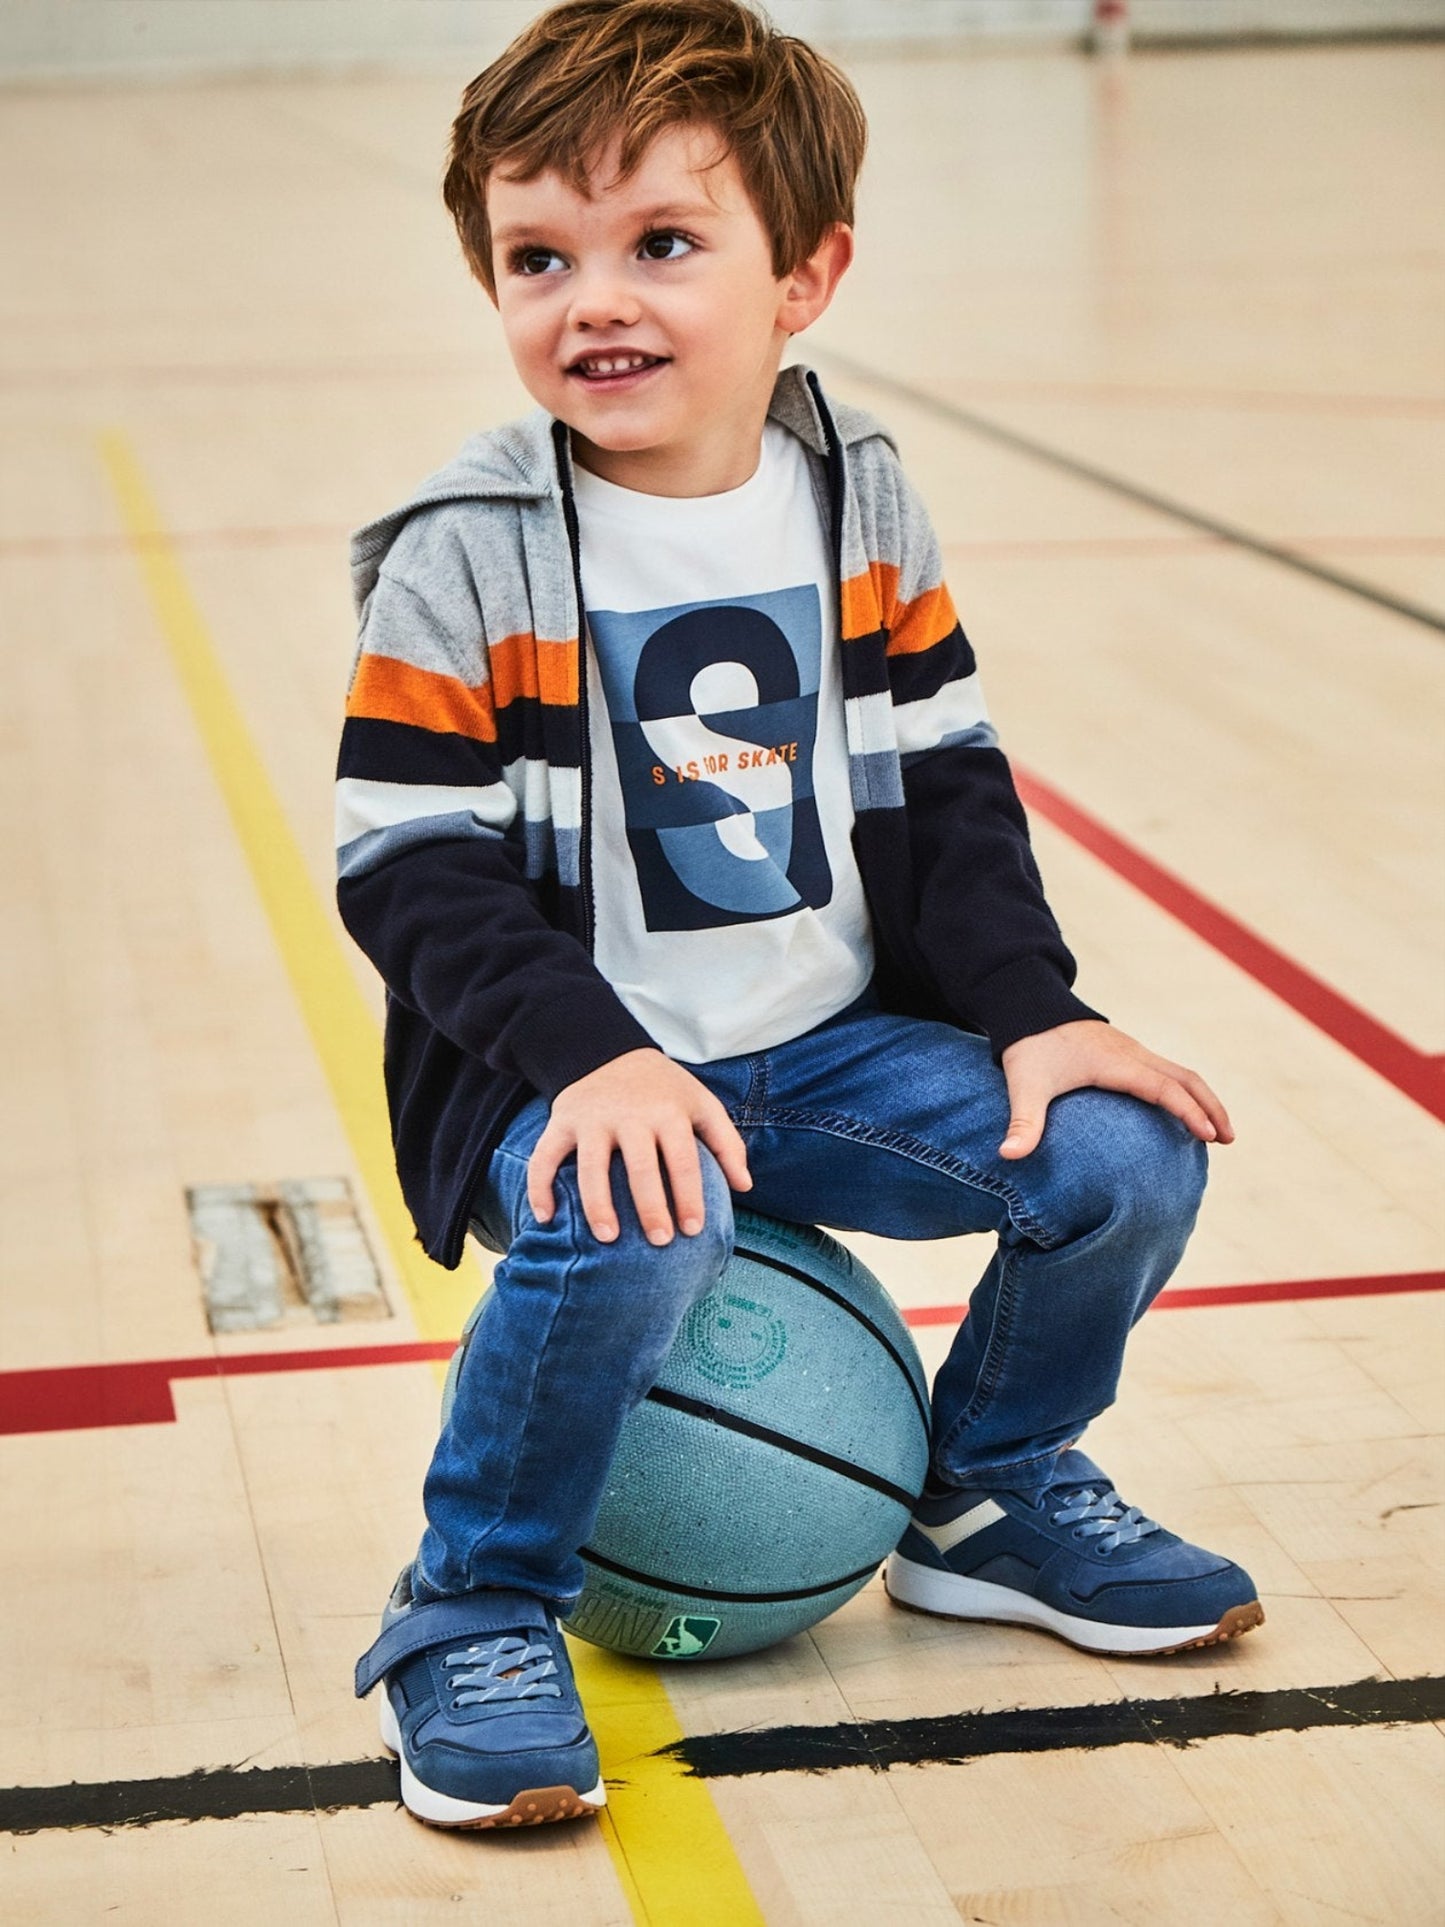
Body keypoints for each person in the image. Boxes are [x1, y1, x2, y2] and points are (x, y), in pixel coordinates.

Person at [336, 0, 1262, 1832]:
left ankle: (987, 1493)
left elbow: (951, 791)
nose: (593, 300)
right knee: (636, 1203)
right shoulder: (464, 553)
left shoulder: (863, 505)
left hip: (821, 1050)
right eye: (540, 257)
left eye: (661, 246)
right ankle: (475, 1599)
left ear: (804, 277)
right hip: (574, 1071)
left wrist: (1036, 1013)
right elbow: (405, 866)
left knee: (1121, 1156)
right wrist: (590, 1061)